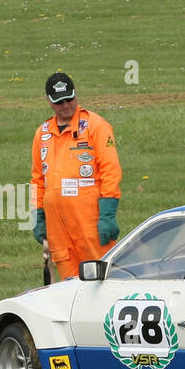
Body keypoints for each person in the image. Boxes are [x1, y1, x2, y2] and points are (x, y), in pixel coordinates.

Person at [30, 72, 123, 280]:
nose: (65, 105)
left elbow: (111, 170)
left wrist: (108, 214)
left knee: (103, 278)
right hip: (58, 230)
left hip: (90, 223)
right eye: (59, 101)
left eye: (69, 99)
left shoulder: (96, 126)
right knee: (69, 287)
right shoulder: (42, 134)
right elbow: (37, 179)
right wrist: (37, 217)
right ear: (48, 101)